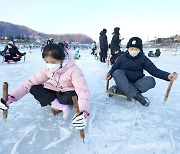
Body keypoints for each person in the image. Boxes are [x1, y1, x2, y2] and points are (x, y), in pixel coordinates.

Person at [0, 43, 90, 130]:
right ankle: (62, 107)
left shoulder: (74, 71)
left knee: (67, 97)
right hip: (57, 91)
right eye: (46, 61)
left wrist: (83, 113)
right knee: (34, 88)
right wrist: (11, 97)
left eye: (53, 62)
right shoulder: (47, 69)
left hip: (70, 94)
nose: (49, 65)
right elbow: (29, 82)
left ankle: (65, 105)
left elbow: (83, 92)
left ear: (62, 59)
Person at [106, 37, 178, 106]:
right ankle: (137, 96)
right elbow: (114, 67)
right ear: (128, 49)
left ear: (139, 49)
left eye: (136, 49)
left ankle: (121, 89)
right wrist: (110, 74)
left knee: (151, 81)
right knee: (117, 72)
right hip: (123, 81)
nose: (133, 51)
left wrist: (167, 75)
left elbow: (154, 70)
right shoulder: (122, 57)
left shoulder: (143, 59)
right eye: (131, 49)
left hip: (137, 82)